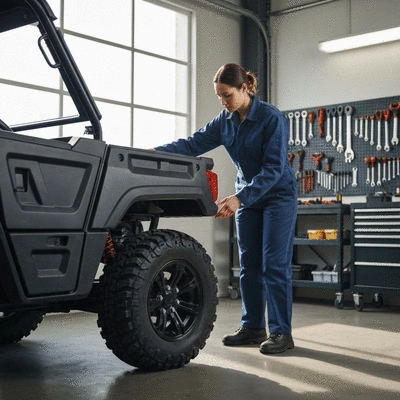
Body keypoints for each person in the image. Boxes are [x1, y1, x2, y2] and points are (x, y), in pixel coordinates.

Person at [153, 63, 297, 355]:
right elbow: (192, 144)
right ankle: (253, 327)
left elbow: (273, 169)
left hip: (277, 196)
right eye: (219, 96)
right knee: (250, 266)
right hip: (248, 197)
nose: (223, 102)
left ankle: (282, 332)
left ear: (244, 89)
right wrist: (153, 153)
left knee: (274, 265)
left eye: (227, 95)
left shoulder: (272, 119)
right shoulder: (226, 119)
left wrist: (239, 198)